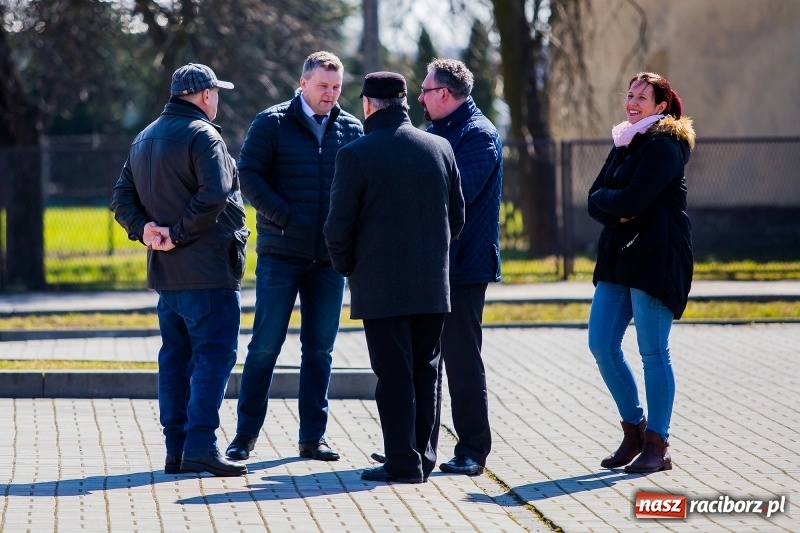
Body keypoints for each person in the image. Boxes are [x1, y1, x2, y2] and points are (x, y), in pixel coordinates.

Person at [324, 71, 465, 483]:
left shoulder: (355, 155)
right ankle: (423, 457)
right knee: (427, 371)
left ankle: (402, 462)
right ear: (405, 102)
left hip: (380, 285)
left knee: (394, 376)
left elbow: (337, 229)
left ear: (367, 105)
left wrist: (349, 267)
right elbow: (457, 217)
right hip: (432, 283)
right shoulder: (440, 147)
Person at [110, 63, 249, 477]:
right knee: (214, 355)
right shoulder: (203, 135)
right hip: (208, 270)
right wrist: (177, 233)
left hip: (167, 274)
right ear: (206, 95)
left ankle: (177, 449)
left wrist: (147, 231)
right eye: (216, 93)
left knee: (175, 359)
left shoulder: (144, 137)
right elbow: (215, 194)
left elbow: (120, 198)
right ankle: (202, 445)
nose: (217, 99)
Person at [226, 51, 363, 463]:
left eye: (337, 87)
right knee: (265, 346)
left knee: (319, 350)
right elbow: (247, 175)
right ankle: (244, 435)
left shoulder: (351, 128)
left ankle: (312, 439)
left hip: (329, 260)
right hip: (281, 253)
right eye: (323, 86)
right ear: (302, 83)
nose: (330, 95)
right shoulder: (271, 122)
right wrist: (286, 216)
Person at [587, 72, 695, 474]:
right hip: (619, 259)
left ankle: (658, 444)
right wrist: (621, 210)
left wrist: (617, 206)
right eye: (629, 95)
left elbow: (632, 198)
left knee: (653, 353)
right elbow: (595, 199)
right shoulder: (625, 140)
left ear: (661, 106)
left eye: (642, 98)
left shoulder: (665, 146)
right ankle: (634, 429)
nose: (632, 103)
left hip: (656, 259)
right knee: (601, 343)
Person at [419, 58, 502, 476]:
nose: (420, 98)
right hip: (435, 264)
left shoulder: (478, 135)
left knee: (462, 360)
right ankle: (421, 448)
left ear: (445, 95)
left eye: (426, 91)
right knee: (427, 359)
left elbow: (458, 196)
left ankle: (472, 449)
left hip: (465, 267)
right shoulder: (437, 131)